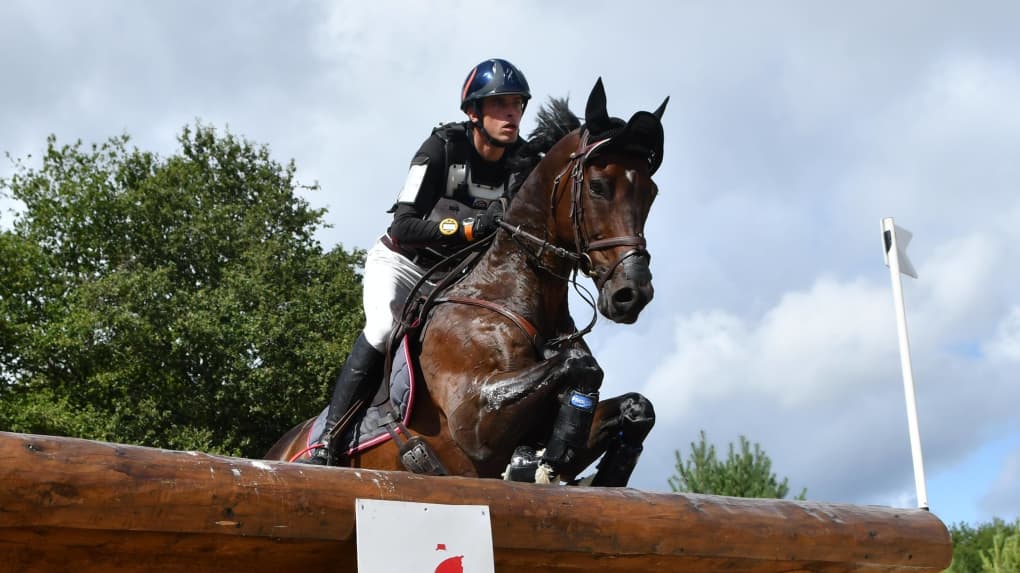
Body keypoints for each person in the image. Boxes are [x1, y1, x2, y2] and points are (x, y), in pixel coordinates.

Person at [305, 58, 532, 464]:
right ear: (473, 112)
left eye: (516, 104)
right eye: (499, 104)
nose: (510, 114)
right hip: (402, 265)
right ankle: (329, 439)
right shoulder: (441, 148)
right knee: (382, 328)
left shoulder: (522, 163)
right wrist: (467, 229)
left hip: (454, 280)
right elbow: (405, 225)